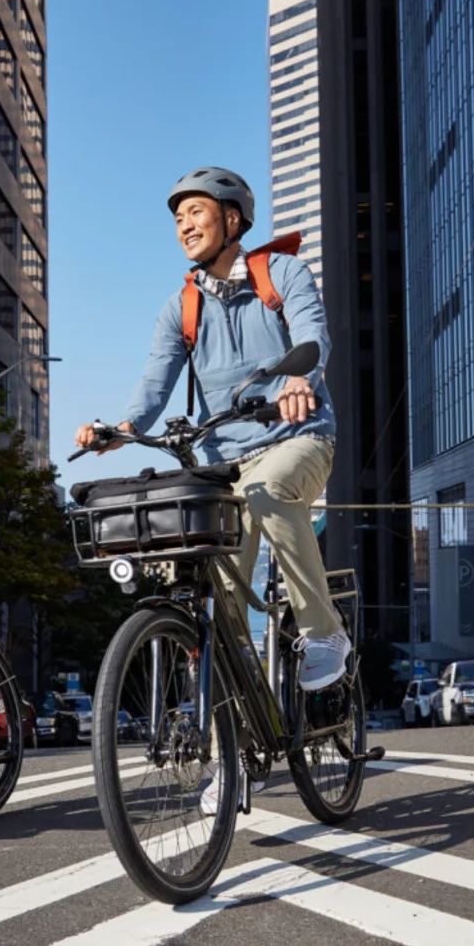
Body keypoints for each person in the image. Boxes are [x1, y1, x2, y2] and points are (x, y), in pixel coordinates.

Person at [74, 166, 350, 692]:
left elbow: (313, 331)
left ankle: (323, 632)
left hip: (298, 438)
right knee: (213, 580)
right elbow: (156, 380)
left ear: (231, 218)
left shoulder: (282, 273)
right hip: (224, 461)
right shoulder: (181, 306)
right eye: (178, 219)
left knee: (269, 493)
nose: (184, 226)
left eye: (195, 213)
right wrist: (122, 428)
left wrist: (299, 377)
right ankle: (233, 734)